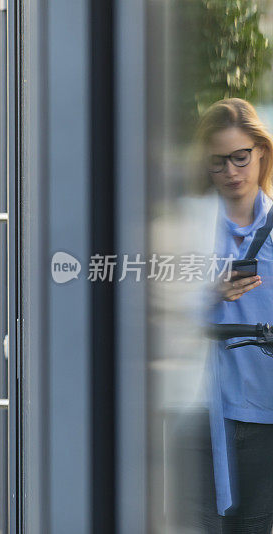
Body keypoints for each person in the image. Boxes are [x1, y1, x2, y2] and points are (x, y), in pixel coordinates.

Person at [191, 97, 273, 533]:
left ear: (261, 152)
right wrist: (208, 293)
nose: (231, 172)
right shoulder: (186, 229)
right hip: (195, 416)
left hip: (263, 414)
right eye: (217, 162)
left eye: (240, 157)